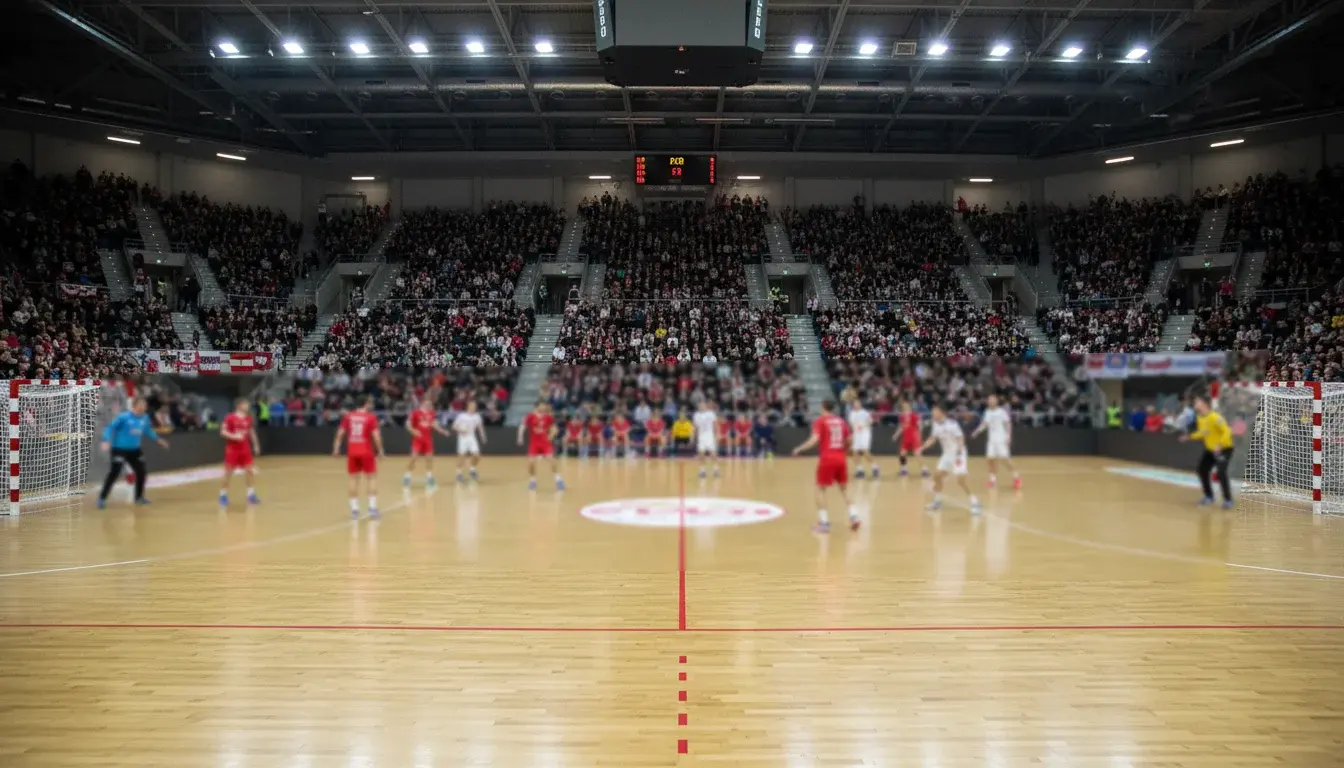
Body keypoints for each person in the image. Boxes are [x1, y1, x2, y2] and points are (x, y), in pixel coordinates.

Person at [791, 400, 859, 534]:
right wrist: (847, 450)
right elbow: (850, 440)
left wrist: (799, 448)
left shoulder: (821, 421)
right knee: (844, 490)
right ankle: (854, 517)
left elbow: (814, 439)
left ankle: (824, 523)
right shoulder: (841, 421)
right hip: (841, 458)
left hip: (827, 458)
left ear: (822, 408)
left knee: (820, 490)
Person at [97, 398, 170, 509]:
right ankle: (102, 498)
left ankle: (139, 497)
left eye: (145, 405)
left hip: (135, 450)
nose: (144, 407)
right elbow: (110, 428)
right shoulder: (124, 417)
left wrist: (158, 440)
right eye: (142, 404)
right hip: (119, 450)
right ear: (135, 406)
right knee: (114, 473)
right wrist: (105, 440)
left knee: (141, 472)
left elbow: (147, 431)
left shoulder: (145, 418)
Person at [920, 405, 981, 513]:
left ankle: (975, 502)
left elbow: (960, 438)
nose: (933, 414)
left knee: (961, 481)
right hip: (947, 454)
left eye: (935, 412)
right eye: (933, 412)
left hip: (958, 454)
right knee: (937, 476)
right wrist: (922, 447)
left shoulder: (952, 424)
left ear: (941, 413)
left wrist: (959, 452)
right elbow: (933, 438)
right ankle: (937, 502)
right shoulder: (935, 424)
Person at [333, 397, 384, 519]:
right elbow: (376, 436)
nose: (371, 405)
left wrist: (336, 448)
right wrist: (380, 450)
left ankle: (354, 510)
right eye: (370, 403)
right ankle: (372, 508)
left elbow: (340, 434)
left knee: (353, 479)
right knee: (371, 478)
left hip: (352, 451)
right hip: (366, 451)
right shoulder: (370, 417)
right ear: (366, 404)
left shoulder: (348, 417)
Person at [1180, 396, 1234, 508]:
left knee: (1221, 473)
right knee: (1202, 470)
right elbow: (1202, 432)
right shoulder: (1200, 417)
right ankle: (1209, 496)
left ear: (1205, 404)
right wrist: (1190, 436)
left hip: (1224, 449)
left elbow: (1227, 431)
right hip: (1210, 450)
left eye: (1198, 401)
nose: (1195, 403)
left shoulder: (1215, 417)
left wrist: (1220, 444)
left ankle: (1228, 500)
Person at [971, 394, 1020, 490]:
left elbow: (1008, 423)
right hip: (991, 441)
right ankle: (992, 480)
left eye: (993, 400)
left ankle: (1016, 478)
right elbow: (984, 424)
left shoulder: (1001, 412)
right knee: (990, 460)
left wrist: (1009, 436)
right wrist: (976, 431)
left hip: (1001, 439)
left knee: (1005, 460)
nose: (991, 401)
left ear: (996, 401)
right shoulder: (987, 412)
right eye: (989, 400)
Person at [219, 398, 261, 507]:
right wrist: (234, 436)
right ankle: (223, 495)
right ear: (239, 405)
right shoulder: (230, 418)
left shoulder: (248, 418)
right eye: (245, 404)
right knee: (228, 472)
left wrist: (256, 445)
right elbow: (223, 432)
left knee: (249, 471)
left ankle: (251, 495)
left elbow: (251, 432)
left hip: (245, 448)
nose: (247, 406)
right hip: (232, 449)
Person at [404, 399, 452, 489]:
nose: (429, 405)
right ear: (422, 403)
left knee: (429, 459)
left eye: (430, 403)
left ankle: (429, 476)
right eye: (427, 403)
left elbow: (434, 425)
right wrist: (413, 430)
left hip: (428, 439)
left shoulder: (431, 413)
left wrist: (443, 431)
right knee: (413, 458)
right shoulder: (415, 412)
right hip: (417, 439)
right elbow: (407, 424)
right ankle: (407, 475)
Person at [518, 401, 564, 491]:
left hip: (545, 443)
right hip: (534, 444)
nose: (543, 408)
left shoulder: (548, 417)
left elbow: (555, 428)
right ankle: (532, 480)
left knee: (552, 460)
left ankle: (558, 479)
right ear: (537, 407)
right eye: (542, 406)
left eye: (544, 406)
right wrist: (520, 437)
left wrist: (551, 435)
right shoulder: (530, 416)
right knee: (531, 462)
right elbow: (523, 426)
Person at [452, 401, 487, 484]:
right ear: (468, 406)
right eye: (472, 406)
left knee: (477, 455)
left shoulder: (477, 416)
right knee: (461, 456)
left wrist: (483, 436)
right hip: (463, 438)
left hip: (472, 437)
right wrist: (462, 430)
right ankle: (459, 473)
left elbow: (480, 427)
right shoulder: (461, 416)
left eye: (474, 406)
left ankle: (472, 470)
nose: (473, 407)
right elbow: (454, 427)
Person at [894, 400, 927, 477]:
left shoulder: (914, 415)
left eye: (906, 406)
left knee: (917, 454)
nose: (904, 407)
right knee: (902, 453)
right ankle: (904, 469)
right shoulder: (902, 416)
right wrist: (896, 435)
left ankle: (924, 470)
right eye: (903, 406)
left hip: (914, 437)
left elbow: (920, 425)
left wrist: (919, 434)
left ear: (909, 407)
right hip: (906, 438)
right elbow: (901, 427)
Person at [848, 401, 877, 479]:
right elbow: (852, 425)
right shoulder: (851, 414)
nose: (856, 405)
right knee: (854, 452)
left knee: (865, 451)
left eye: (857, 404)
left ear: (860, 405)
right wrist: (853, 434)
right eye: (854, 404)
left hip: (865, 433)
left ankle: (875, 467)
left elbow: (871, 421)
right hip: (856, 434)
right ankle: (860, 470)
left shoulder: (865, 413)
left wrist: (864, 425)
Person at [692, 401, 721, 479]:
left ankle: (716, 470)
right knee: (701, 454)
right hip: (701, 437)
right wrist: (693, 436)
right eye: (700, 405)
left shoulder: (711, 414)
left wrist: (717, 434)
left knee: (713, 454)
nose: (701, 406)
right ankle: (702, 471)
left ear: (706, 406)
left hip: (710, 436)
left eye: (703, 405)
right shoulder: (696, 415)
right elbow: (695, 427)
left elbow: (715, 424)